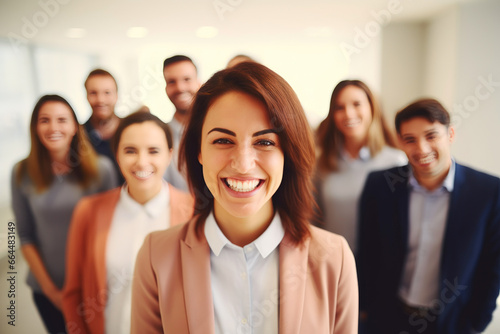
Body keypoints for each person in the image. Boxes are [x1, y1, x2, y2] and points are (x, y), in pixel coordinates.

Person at [131, 62, 358, 333]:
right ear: (198, 152)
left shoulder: (333, 257)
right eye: (223, 141)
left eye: (264, 142)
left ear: (289, 153)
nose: (243, 164)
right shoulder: (157, 255)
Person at [357, 98, 500, 334]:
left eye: (431, 136)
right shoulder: (380, 185)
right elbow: (368, 252)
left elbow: (493, 267)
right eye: (410, 140)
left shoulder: (488, 192)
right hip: (385, 319)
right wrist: (364, 310)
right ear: (400, 143)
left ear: (450, 134)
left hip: (452, 323)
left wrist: (476, 323)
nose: (422, 149)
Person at [62, 111, 194, 334]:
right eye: (130, 151)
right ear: (117, 154)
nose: (142, 162)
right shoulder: (88, 212)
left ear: (169, 155)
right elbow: (73, 293)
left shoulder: (194, 213)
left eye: (153, 151)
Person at [11, 95, 118, 334]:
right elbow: (25, 236)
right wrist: (53, 293)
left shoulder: (102, 170)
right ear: (35, 128)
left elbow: (112, 231)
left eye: (62, 120)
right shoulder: (21, 172)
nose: (54, 127)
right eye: (45, 120)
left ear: (74, 127)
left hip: (95, 288)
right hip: (48, 291)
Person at [315, 79, 406, 253]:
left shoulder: (396, 162)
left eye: (357, 104)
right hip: (330, 262)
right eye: (339, 107)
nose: (348, 114)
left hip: (377, 266)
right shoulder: (321, 163)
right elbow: (312, 219)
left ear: (372, 108)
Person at [162, 55, 201, 192]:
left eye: (187, 79)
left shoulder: (219, 130)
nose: (180, 87)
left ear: (199, 83)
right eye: (172, 82)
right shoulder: (160, 136)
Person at [83, 68, 124, 183]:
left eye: (107, 93)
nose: (100, 100)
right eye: (93, 93)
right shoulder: (77, 136)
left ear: (116, 96)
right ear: (86, 96)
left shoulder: (133, 131)